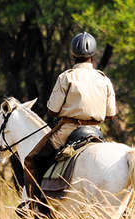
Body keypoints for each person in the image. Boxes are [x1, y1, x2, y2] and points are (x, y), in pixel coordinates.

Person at [24, 32, 117, 201]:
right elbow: (111, 113)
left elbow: (52, 109)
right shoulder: (104, 79)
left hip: (67, 132)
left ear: (73, 54)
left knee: (32, 160)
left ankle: (34, 205)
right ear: (93, 54)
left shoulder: (66, 77)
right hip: (95, 132)